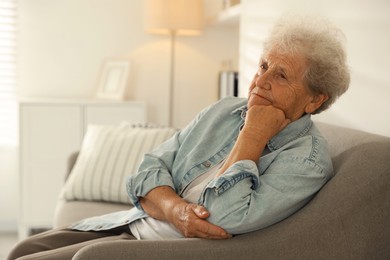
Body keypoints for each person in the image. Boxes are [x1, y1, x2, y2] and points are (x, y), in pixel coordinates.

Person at [8, 15, 350, 259]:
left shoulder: (307, 162)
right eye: (262, 66)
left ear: (314, 99)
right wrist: (174, 210)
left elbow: (223, 218)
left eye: (281, 74)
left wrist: (253, 136)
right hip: (136, 221)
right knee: (23, 248)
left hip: (170, 249)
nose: (261, 82)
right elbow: (147, 169)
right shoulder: (224, 110)